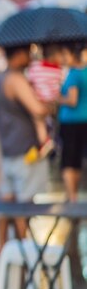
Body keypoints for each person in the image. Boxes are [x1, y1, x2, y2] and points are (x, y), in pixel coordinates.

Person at [0, 45, 51, 257]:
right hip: (25, 150)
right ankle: (24, 250)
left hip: (7, 147)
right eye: (28, 51)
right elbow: (38, 109)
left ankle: (1, 246)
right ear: (18, 53)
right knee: (23, 204)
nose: (31, 56)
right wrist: (53, 103)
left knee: (6, 199)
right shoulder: (16, 79)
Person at [58, 43, 87, 202]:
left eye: (64, 54)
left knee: (69, 160)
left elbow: (72, 100)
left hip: (71, 122)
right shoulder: (85, 71)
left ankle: (72, 196)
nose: (62, 58)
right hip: (83, 120)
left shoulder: (74, 74)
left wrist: (57, 97)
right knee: (77, 160)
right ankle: (73, 194)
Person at [25, 44, 64, 159]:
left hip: (39, 100)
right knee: (53, 124)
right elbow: (60, 84)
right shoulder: (58, 69)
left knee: (39, 122)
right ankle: (52, 142)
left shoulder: (35, 66)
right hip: (53, 102)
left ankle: (44, 143)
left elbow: (30, 81)